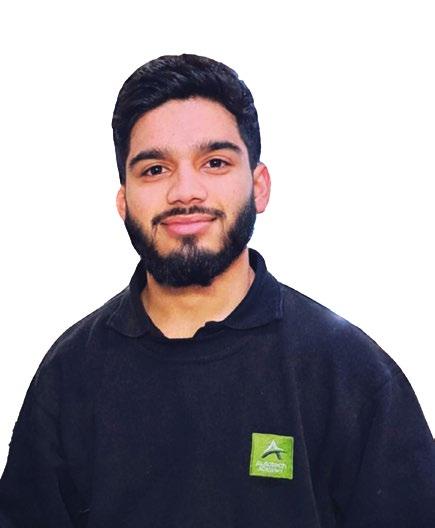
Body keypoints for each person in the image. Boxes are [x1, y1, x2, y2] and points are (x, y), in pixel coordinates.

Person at [0, 53, 434, 528]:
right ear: (123, 200)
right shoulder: (69, 375)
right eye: (155, 169)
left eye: (215, 162)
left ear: (259, 186)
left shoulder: (351, 374)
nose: (185, 191)